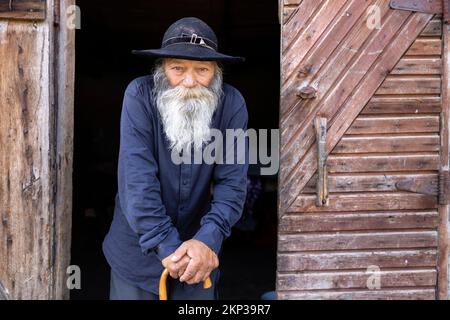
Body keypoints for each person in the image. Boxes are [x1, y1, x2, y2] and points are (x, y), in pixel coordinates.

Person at [102, 16, 249, 300]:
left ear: (216, 72)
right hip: (135, 255)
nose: (190, 81)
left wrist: (206, 242)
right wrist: (167, 247)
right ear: (162, 69)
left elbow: (232, 185)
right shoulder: (139, 95)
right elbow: (137, 181)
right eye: (178, 68)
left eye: (202, 69)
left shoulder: (231, 103)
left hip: (200, 256)